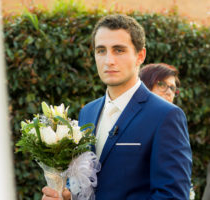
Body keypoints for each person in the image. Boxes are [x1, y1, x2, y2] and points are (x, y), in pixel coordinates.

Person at [42, 14, 192, 200]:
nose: (108, 60)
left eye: (119, 50)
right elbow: (87, 185)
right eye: (101, 51)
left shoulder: (166, 116)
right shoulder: (87, 112)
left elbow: (173, 196)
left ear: (140, 56)